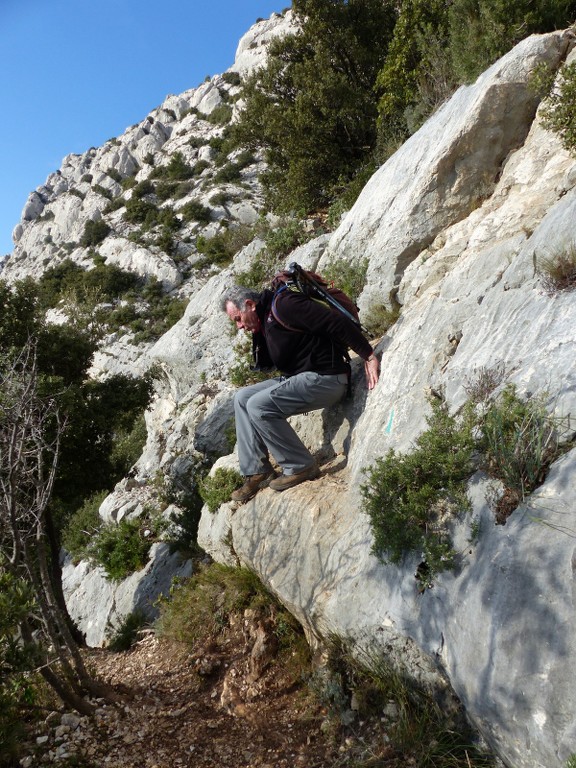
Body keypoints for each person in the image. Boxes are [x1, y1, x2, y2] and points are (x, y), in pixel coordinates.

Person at [222, 279, 380, 502]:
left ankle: (300, 466)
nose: (239, 326)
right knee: (242, 398)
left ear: (250, 304)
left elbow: (334, 322)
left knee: (258, 405)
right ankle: (257, 470)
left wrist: (368, 355)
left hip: (328, 378)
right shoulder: (265, 316)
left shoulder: (284, 306)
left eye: (238, 318)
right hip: (302, 377)